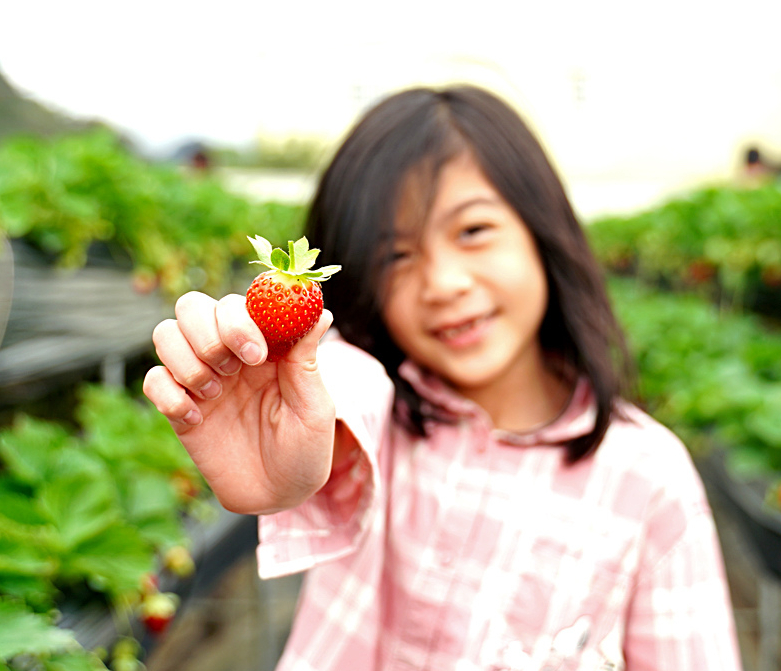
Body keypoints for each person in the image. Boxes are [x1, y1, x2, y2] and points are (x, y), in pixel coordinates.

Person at [143, 85, 742, 671]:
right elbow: (342, 382)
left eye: (473, 231)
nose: (444, 283)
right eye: (396, 256)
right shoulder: (379, 410)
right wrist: (283, 407)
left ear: (543, 232)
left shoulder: (650, 477)